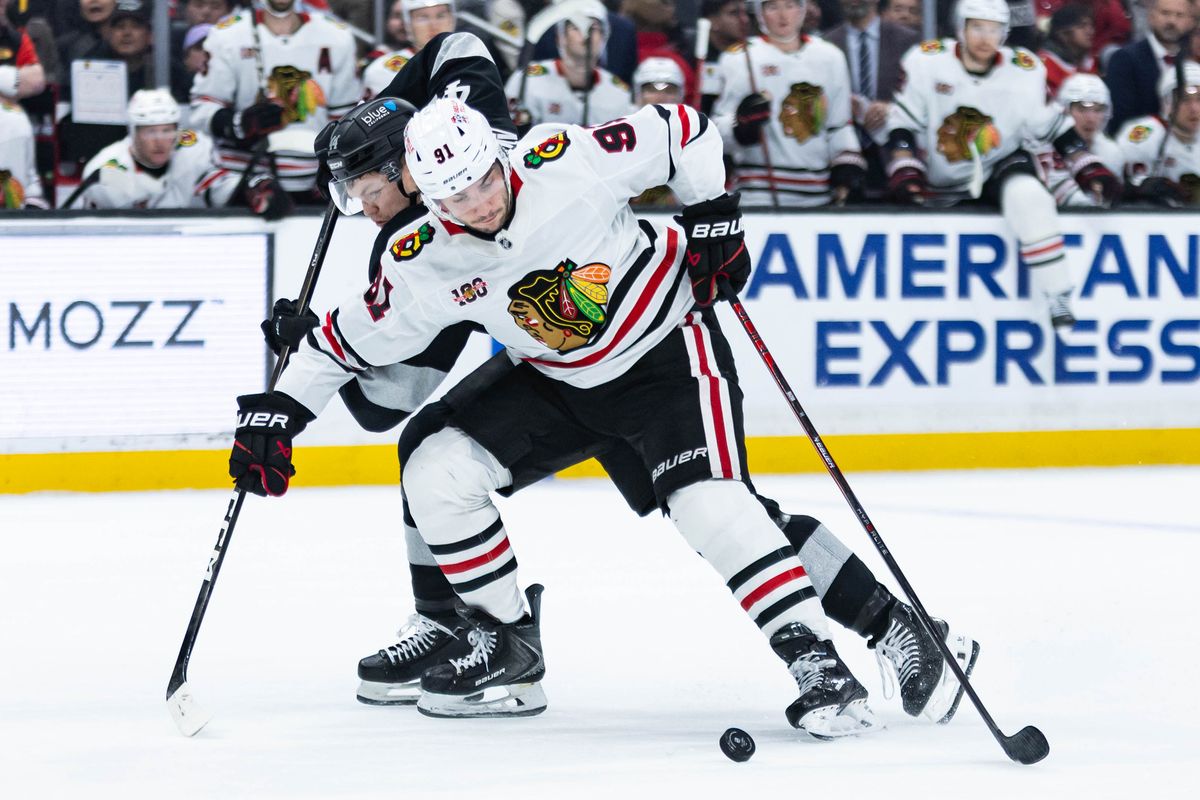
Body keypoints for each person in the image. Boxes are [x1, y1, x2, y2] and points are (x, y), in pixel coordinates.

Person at [231, 89, 986, 734]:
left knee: (713, 509)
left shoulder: (561, 159)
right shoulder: (424, 257)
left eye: (485, 180)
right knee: (436, 468)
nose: (481, 202)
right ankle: (508, 644)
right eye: (457, 197)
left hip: (665, 349)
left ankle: (823, 660)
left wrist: (714, 214)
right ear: (429, 198)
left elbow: (684, 130)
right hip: (557, 378)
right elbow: (340, 343)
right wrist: (276, 415)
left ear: (497, 155)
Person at [884, 0, 1119, 331]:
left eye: (994, 29)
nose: (985, 38)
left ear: (1005, 32)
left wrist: (1087, 166)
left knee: (1030, 195)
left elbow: (1051, 125)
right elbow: (902, 123)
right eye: (977, 27)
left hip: (1000, 164)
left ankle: (1057, 293)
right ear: (961, 28)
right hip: (942, 179)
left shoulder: (1024, 69)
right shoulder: (927, 61)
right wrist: (905, 166)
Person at [189, 0, 359, 201]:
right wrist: (240, 124)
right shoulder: (226, 36)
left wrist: (333, 171)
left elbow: (346, 119)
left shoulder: (336, 36)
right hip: (246, 177)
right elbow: (203, 110)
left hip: (317, 179)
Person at [712, 0, 866, 207]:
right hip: (756, 195)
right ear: (759, 13)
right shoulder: (739, 58)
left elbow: (839, 124)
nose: (783, 15)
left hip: (817, 193)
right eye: (772, 7)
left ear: (803, 10)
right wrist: (741, 126)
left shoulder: (830, 57)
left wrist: (846, 170)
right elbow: (717, 129)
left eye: (790, 5)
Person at [504, 0, 634, 129]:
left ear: (604, 37)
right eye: (577, 28)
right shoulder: (528, 80)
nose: (586, 35)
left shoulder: (619, 93)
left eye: (593, 28)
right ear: (561, 37)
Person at [1104, 0, 1196, 134]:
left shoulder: (1192, 61)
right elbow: (1120, 120)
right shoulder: (1125, 59)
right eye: (1165, 13)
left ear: (1190, 22)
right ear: (1151, 16)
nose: (1171, 21)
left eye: (1179, 15)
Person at [1117, 62, 1200, 206]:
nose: (1194, 108)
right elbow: (1126, 191)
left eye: (1199, 99)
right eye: (1185, 99)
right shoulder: (1145, 134)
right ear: (1168, 102)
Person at [1038, 72, 1124, 206]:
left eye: (1098, 110)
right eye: (1081, 109)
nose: (1090, 119)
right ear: (1064, 110)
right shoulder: (1044, 151)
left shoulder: (1113, 153)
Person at [698, 0, 750, 115]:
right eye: (734, 13)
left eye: (745, 13)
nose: (744, 20)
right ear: (712, 21)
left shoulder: (754, 54)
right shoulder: (695, 58)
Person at [1038, 4, 1097, 97]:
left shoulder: (1091, 62)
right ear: (1063, 34)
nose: (1090, 31)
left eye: (1090, 26)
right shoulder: (1043, 65)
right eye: (1082, 26)